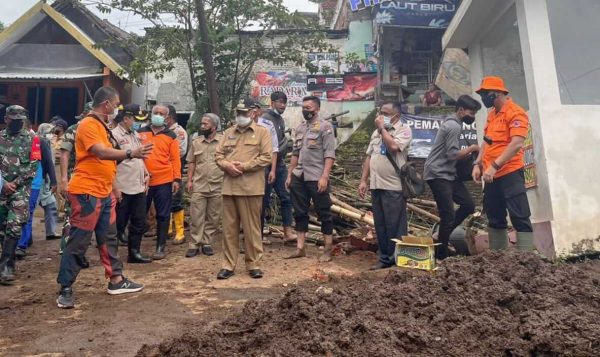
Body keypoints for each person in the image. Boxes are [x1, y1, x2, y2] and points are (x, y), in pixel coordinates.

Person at [56, 86, 152, 309]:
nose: (118, 108)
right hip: (87, 193)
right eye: (116, 104)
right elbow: (100, 152)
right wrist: (130, 153)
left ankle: (116, 279)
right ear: (106, 104)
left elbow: (106, 163)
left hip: (104, 192)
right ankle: (66, 288)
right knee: (79, 241)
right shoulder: (89, 125)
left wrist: (114, 187)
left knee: (109, 238)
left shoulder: (102, 126)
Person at [472, 76, 534, 251]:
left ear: (498, 93)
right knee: (494, 216)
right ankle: (498, 259)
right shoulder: (492, 115)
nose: (483, 97)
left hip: (510, 172)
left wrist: (494, 166)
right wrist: (478, 164)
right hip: (491, 175)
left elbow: (516, 144)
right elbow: (486, 142)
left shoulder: (515, 112)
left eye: (485, 93)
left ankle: (526, 259)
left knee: (519, 215)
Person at [215, 98, 272, 280]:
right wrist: (226, 165)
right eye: (239, 113)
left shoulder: (262, 133)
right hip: (229, 187)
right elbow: (218, 155)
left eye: (245, 113)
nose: (241, 116)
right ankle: (228, 265)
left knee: (251, 229)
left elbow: (266, 157)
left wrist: (244, 166)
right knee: (229, 229)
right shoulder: (228, 133)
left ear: (253, 113)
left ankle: (253, 264)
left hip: (251, 188)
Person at [423, 95, 481, 260]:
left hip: (449, 174)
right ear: (461, 110)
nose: (473, 116)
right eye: (471, 112)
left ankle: (439, 235)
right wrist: (473, 148)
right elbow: (452, 154)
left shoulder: (455, 124)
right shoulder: (453, 126)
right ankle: (441, 256)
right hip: (438, 173)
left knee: (468, 205)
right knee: (447, 214)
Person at [358, 101, 412, 269]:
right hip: (377, 185)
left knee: (395, 225)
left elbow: (394, 147)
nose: (381, 116)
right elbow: (369, 156)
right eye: (380, 112)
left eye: (386, 113)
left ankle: (398, 260)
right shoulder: (376, 132)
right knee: (380, 224)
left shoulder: (404, 129)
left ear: (396, 115)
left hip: (393, 186)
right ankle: (384, 259)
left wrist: (382, 129)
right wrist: (363, 180)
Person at [285, 96, 336, 262]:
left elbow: (329, 155)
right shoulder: (300, 128)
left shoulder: (325, 127)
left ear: (317, 108)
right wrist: (289, 174)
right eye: (303, 107)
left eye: (309, 107)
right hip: (299, 175)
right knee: (300, 212)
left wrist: (325, 177)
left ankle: (328, 248)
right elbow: (295, 153)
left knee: (324, 212)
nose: (305, 110)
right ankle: (300, 247)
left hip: (317, 176)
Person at [0, 106, 40, 284]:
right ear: (6, 119)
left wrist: (15, 183)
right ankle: (6, 262)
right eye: (13, 119)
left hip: (21, 189)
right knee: (2, 228)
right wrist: (3, 183)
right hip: (1, 188)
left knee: (14, 225)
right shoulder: (0, 137)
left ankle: (7, 265)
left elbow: (34, 164)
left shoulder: (33, 138)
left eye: (20, 120)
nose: (17, 123)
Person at [137, 104, 181, 260]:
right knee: (139, 214)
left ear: (167, 118)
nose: (157, 115)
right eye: (155, 112)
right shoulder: (140, 132)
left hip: (164, 179)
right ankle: (135, 248)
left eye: (161, 113)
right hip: (142, 180)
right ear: (150, 114)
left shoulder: (171, 136)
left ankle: (160, 247)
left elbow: (175, 159)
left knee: (163, 215)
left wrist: (177, 179)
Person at [112, 104, 152, 264]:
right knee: (118, 223)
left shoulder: (134, 134)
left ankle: (134, 253)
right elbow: (110, 163)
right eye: (135, 119)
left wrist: (146, 172)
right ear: (126, 118)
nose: (137, 123)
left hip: (138, 185)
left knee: (138, 221)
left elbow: (138, 157)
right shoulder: (113, 135)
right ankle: (111, 256)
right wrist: (114, 187)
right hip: (122, 186)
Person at [16, 123, 58, 258]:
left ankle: (21, 245)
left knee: (27, 213)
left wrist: (53, 180)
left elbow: (48, 162)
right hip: (14, 184)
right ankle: (25, 239)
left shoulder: (39, 141)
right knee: (17, 214)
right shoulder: (9, 140)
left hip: (34, 183)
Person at [185, 113, 223, 258]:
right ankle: (194, 244)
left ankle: (207, 243)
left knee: (213, 216)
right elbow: (192, 162)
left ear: (214, 127)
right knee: (196, 216)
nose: (202, 126)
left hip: (217, 184)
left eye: (205, 124)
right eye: (202, 124)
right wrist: (189, 180)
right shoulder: (196, 142)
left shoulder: (222, 141)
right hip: (199, 184)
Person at [260, 92, 295, 244]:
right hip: (267, 166)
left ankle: (288, 232)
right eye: (280, 102)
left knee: (286, 197)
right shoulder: (265, 119)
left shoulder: (280, 119)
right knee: (263, 200)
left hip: (280, 165)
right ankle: (259, 234)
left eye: (285, 103)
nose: (283, 105)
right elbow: (271, 146)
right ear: (272, 102)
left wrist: (285, 145)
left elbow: (280, 143)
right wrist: (285, 145)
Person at [58, 102, 92, 259]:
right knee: (71, 215)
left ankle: (78, 252)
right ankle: (67, 249)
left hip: (90, 180)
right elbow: (64, 153)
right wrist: (64, 179)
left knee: (86, 215)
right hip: (75, 178)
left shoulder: (95, 130)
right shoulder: (74, 129)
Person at [249, 100, 279, 244]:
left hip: (261, 170)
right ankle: (245, 237)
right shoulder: (237, 126)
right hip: (242, 171)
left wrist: (272, 170)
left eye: (254, 109)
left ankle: (257, 238)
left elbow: (274, 149)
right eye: (249, 109)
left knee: (260, 204)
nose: (251, 112)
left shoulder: (267, 126)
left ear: (260, 111)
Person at [165, 105, 188, 245]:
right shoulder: (162, 132)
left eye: (164, 116)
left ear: (170, 117)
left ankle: (180, 232)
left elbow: (181, 152)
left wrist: (163, 156)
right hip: (161, 173)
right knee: (163, 201)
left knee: (176, 200)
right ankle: (166, 230)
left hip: (175, 171)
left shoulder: (179, 132)